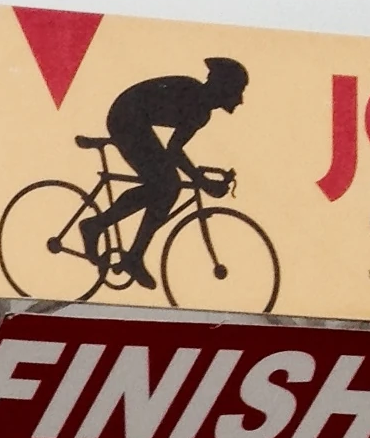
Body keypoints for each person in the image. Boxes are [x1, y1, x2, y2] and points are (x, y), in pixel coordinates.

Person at [81, 57, 247, 282]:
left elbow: (174, 150)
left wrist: (201, 179)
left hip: (136, 118)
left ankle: (133, 255)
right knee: (167, 185)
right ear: (222, 87)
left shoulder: (201, 113)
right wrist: (203, 182)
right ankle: (97, 228)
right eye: (237, 90)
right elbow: (173, 151)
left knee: (166, 185)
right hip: (126, 117)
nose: (240, 100)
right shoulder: (194, 98)